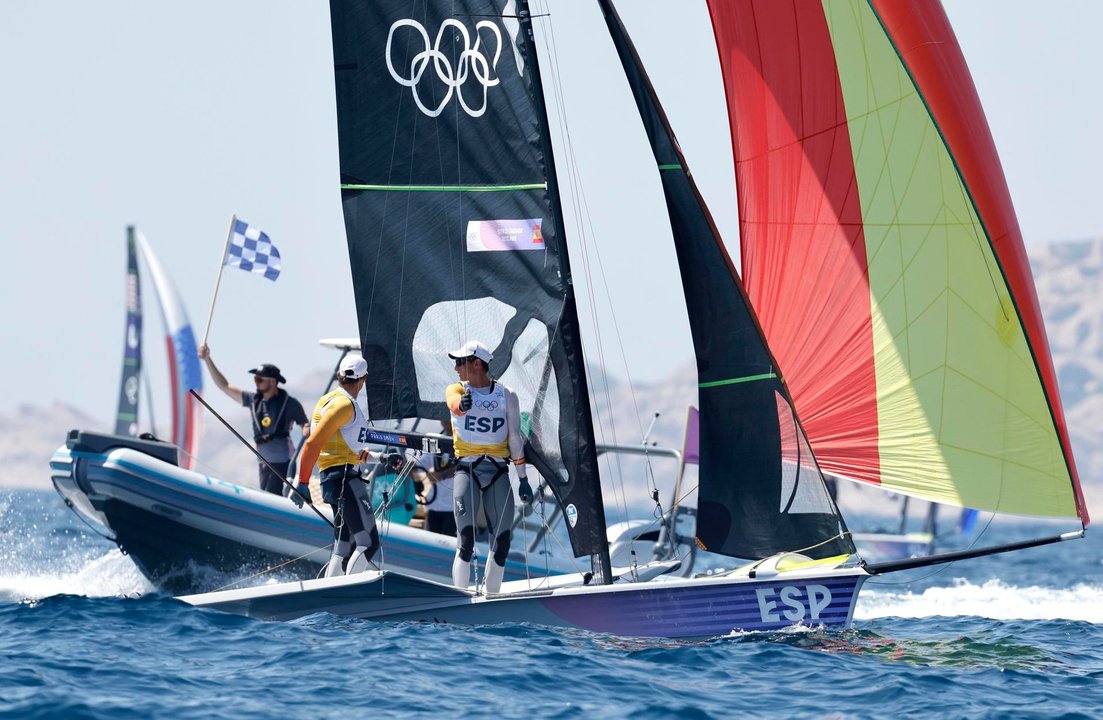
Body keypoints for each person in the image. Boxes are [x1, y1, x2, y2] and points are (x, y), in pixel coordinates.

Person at [445, 340, 532, 595]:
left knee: (503, 540)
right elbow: (453, 404)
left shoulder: (507, 395)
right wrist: (462, 406)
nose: (455, 368)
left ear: (476, 364)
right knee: (466, 540)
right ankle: (459, 598)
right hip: (467, 470)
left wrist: (523, 477)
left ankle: (491, 596)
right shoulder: (457, 390)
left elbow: (514, 437)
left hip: (497, 472)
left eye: (460, 362)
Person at [288, 354, 386, 577]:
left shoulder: (326, 400)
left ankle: (329, 597)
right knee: (368, 544)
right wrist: (301, 482)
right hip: (345, 480)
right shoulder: (344, 405)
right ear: (364, 379)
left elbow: (346, 449)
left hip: (333, 480)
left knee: (344, 546)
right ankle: (346, 595)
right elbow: (313, 443)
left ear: (339, 375)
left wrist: (381, 458)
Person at [198, 344, 309, 495]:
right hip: (263, 462)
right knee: (266, 495)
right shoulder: (253, 400)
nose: (256, 382)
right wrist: (207, 359)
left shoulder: (290, 404)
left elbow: (305, 424)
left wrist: (306, 429)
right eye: (255, 379)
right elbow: (224, 386)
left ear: (272, 382)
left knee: (272, 498)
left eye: (259, 380)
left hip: (283, 462)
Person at [413, 419, 458, 537]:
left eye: (448, 416)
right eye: (443, 417)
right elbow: (420, 465)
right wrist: (404, 465)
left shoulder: (466, 441)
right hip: (434, 506)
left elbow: (468, 466)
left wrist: (442, 475)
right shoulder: (437, 440)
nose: (445, 420)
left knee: (450, 546)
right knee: (429, 543)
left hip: (455, 508)